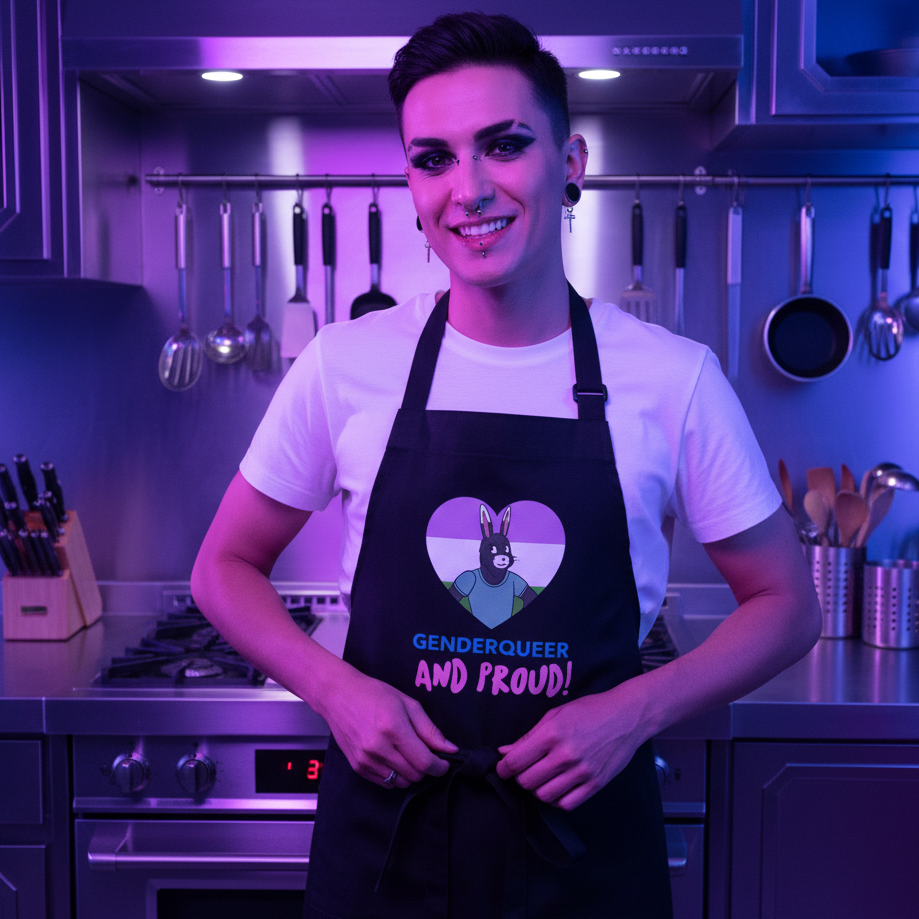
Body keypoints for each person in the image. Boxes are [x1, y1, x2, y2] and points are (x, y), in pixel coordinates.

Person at [191, 12, 822, 919]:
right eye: (432, 158)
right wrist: (334, 689)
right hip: (388, 852)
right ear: (411, 184)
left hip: (584, 854)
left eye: (504, 145)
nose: (469, 188)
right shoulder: (344, 363)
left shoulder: (670, 377)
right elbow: (221, 568)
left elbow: (787, 605)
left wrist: (635, 710)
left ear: (569, 163)